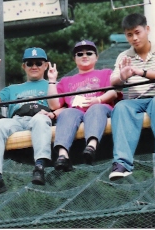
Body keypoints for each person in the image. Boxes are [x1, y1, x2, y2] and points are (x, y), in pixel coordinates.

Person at [108, 13, 155, 181]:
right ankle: (122, 163)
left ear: (147, 30)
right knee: (121, 107)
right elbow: (114, 82)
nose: (134, 38)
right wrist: (123, 77)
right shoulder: (124, 57)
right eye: (129, 34)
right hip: (136, 102)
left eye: (137, 32)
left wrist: (142, 72)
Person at [0, 47, 59, 198]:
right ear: (23, 66)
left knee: (40, 119)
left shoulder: (53, 85)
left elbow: (60, 105)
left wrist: (52, 113)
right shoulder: (13, 89)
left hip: (41, 116)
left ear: (46, 65)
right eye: (30, 63)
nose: (34, 67)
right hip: (17, 120)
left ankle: (39, 167)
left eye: (38, 63)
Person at [49, 40, 118, 170]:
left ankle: (91, 146)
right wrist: (52, 81)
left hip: (99, 108)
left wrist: (98, 100)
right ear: (75, 59)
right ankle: (63, 155)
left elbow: (113, 92)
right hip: (76, 112)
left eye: (89, 53)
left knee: (95, 109)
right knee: (67, 113)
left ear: (96, 57)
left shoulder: (105, 73)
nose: (84, 56)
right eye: (80, 54)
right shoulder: (66, 81)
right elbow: (55, 105)